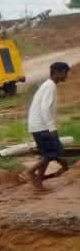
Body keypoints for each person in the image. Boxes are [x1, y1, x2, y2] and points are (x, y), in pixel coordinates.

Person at [28, 61, 70, 190]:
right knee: (54, 152)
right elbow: (45, 109)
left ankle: (39, 180)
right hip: (42, 126)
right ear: (57, 72)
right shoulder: (50, 86)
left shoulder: (49, 85)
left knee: (49, 154)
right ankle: (32, 171)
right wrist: (52, 128)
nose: (66, 76)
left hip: (39, 125)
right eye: (65, 73)